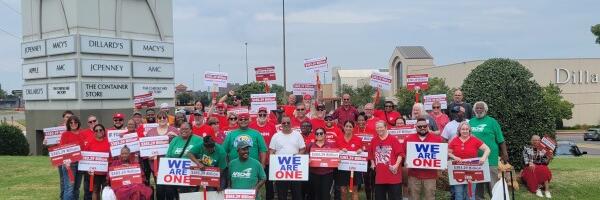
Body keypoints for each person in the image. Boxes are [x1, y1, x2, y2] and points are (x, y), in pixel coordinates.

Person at [469, 101, 509, 199]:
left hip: (490, 157)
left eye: (481, 108)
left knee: (492, 183)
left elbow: (501, 139)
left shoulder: (492, 121)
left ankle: (494, 197)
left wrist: (505, 153)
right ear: (474, 110)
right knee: (478, 183)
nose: (478, 110)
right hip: (476, 159)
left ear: (485, 110)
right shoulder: (470, 122)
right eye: (477, 108)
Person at [448, 122, 491, 200]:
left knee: (470, 193)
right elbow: (448, 152)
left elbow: (487, 149)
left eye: (467, 129)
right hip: (458, 170)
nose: (465, 131)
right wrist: (454, 157)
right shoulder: (454, 140)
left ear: (469, 130)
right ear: (459, 130)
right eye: (463, 129)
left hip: (472, 170)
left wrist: (483, 158)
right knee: (458, 194)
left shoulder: (474, 140)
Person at [159, 123, 203, 199]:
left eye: (186, 129)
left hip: (190, 172)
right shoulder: (175, 140)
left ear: (191, 130)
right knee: (164, 186)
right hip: (175, 172)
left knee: (184, 190)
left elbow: (202, 155)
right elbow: (168, 156)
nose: (184, 131)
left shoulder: (199, 140)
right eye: (182, 129)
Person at [404, 117, 443, 200]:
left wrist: (441, 166)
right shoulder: (408, 139)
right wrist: (406, 161)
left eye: (424, 126)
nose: (422, 128)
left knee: (430, 198)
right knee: (413, 198)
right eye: (420, 126)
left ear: (427, 126)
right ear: (416, 127)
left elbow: (441, 155)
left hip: (430, 176)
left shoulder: (437, 139)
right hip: (414, 175)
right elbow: (403, 153)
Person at [269, 116, 306, 200]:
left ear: (291, 123)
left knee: (297, 194)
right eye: (284, 123)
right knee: (282, 194)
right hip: (281, 170)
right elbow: (271, 151)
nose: (286, 124)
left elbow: (302, 149)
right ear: (281, 124)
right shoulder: (276, 136)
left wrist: (297, 157)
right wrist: (275, 162)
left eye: (288, 122)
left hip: (295, 169)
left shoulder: (297, 135)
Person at [370, 121, 403, 200]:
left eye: (381, 127)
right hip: (380, 177)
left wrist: (396, 165)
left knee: (395, 198)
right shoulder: (374, 140)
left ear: (386, 127)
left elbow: (400, 154)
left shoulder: (393, 139)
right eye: (377, 128)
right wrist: (372, 163)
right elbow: (371, 154)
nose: (379, 129)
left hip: (393, 176)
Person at [248, 107, 277, 200]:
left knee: (269, 184)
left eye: (264, 114)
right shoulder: (251, 126)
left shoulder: (272, 126)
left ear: (267, 115)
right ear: (257, 115)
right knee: (253, 183)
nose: (262, 116)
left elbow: (275, 141)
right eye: (260, 114)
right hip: (254, 160)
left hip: (268, 161)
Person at [335, 120, 364, 200]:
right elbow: (334, 153)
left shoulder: (358, 139)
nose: (348, 128)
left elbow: (362, 151)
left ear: (353, 128)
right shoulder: (338, 139)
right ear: (343, 127)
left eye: (350, 126)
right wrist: (340, 150)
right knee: (343, 191)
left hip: (354, 169)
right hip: (342, 168)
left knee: (354, 190)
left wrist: (361, 151)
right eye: (346, 126)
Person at [59, 116, 86, 200]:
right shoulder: (65, 134)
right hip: (69, 164)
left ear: (78, 123)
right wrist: (66, 162)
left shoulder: (82, 133)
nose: (73, 124)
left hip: (81, 163)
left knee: (77, 188)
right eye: (71, 122)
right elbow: (62, 149)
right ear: (68, 124)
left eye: (75, 122)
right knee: (69, 188)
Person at [307, 127, 336, 200]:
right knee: (315, 194)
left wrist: (336, 161)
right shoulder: (310, 145)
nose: (319, 135)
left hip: (327, 174)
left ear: (325, 135)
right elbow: (306, 157)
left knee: (325, 194)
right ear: (315, 135)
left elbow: (335, 158)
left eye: (321, 133)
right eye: (317, 133)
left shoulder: (331, 145)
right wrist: (308, 160)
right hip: (314, 173)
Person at [83, 124, 110, 200]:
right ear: (94, 132)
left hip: (106, 171)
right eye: (96, 130)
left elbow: (112, 156)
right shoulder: (90, 143)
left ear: (104, 131)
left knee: (105, 191)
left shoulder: (109, 142)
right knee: (95, 190)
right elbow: (85, 157)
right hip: (95, 172)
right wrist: (87, 169)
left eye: (100, 130)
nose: (99, 131)